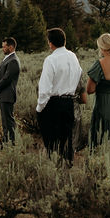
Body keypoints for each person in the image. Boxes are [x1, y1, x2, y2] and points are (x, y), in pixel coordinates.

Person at [36, 27, 83, 163]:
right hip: (69, 102)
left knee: (52, 140)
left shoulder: (51, 60)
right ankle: (67, 165)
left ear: (50, 43)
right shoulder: (73, 56)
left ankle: (54, 166)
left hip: (53, 103)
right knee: (66, 137)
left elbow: (45, 88)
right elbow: (79, 74)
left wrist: (40, 108)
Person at [0, 36, 20, 145]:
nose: (3, 49)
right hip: (4, 95)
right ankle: (6, 143)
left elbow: (6, 79)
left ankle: (10, 144)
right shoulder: (9, 59)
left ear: (11, 47)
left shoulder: (13, 61)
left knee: (8, 121)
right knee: (5, 122)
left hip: (7, 95)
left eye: (4, 47)